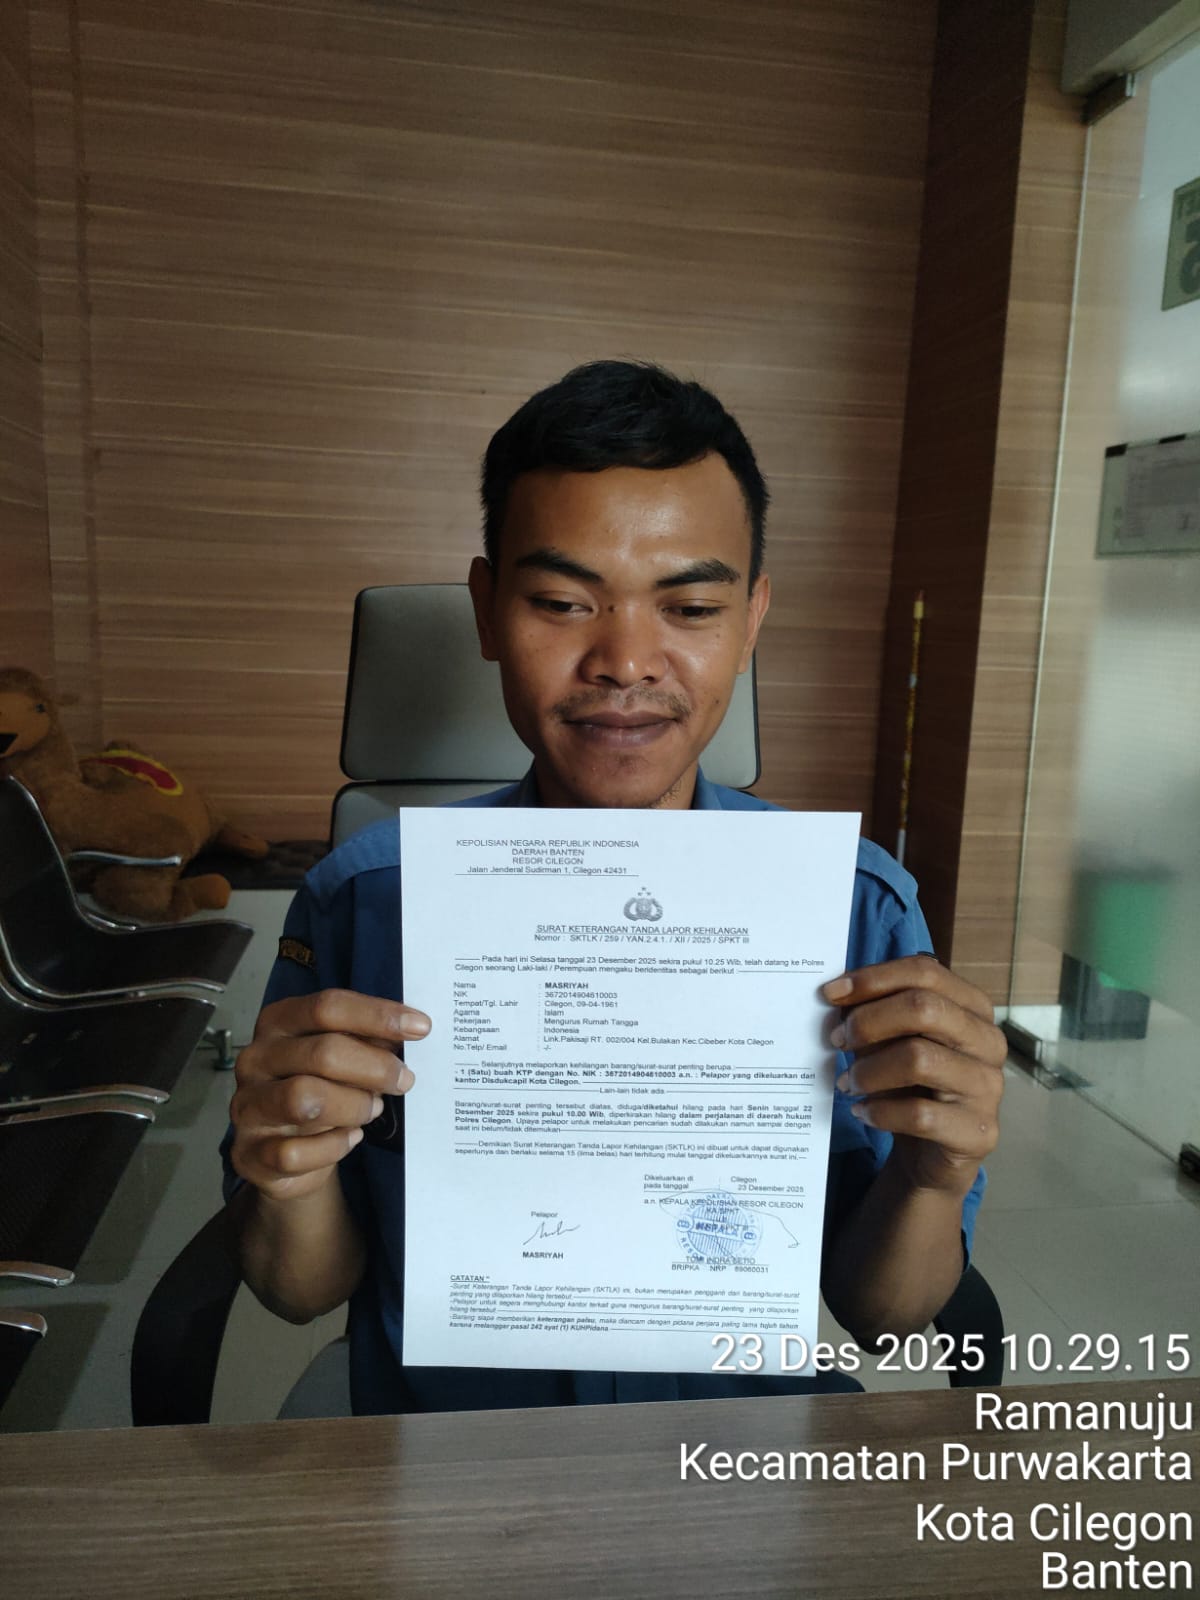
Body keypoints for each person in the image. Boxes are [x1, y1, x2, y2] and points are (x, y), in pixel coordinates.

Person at [224, 360, 1006, 1414]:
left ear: (752, 619)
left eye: (691, 605)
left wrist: (931, 1176)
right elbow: (296, 1291)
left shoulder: (857, 910)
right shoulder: (363, 901)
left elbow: (885, 1314)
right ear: (488, 611)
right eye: (561, 601)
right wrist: (289, 1172)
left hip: (730, 1456)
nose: (627, 660)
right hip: (447, 1454)